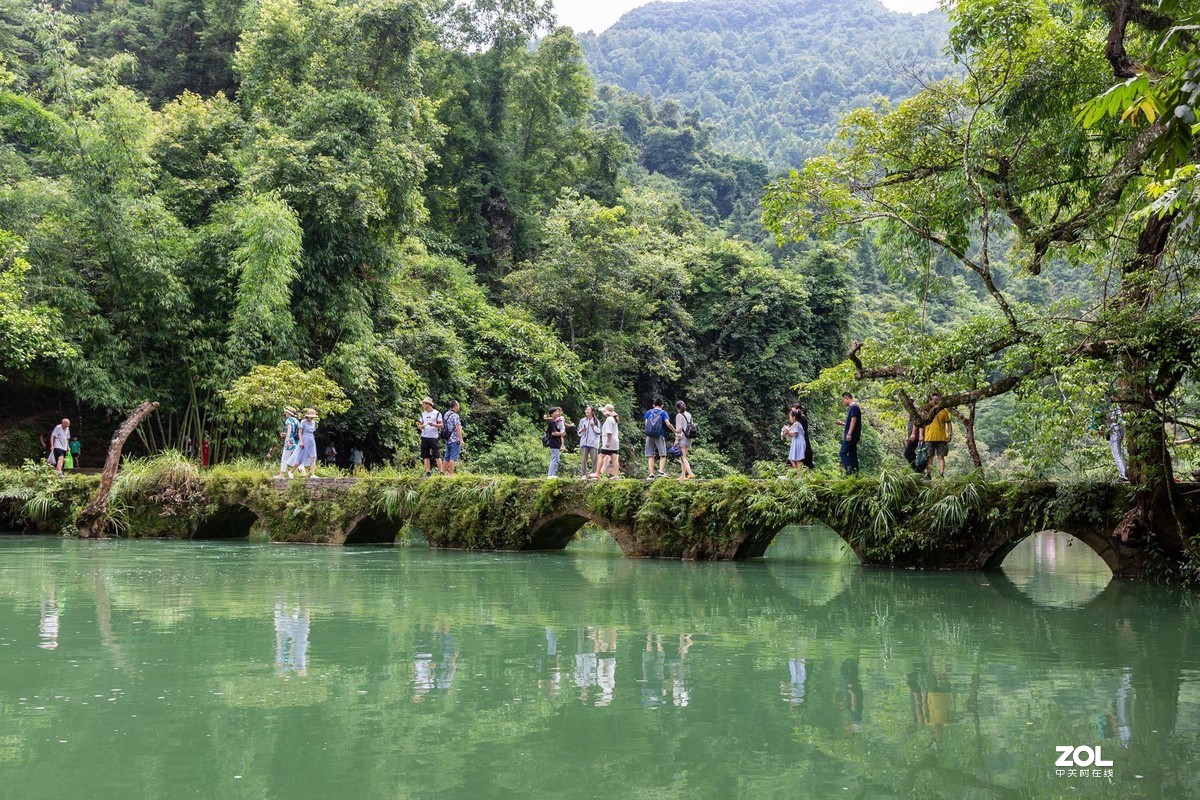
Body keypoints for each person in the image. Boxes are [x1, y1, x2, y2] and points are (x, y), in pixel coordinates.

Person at [643, 399, 676, 480]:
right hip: (659, 435)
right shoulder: (663, 413)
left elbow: (646, 424)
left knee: (650, 455)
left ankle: (651, 475)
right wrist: (675, 431)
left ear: (653, 405)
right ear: (662, 405)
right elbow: (668, 424)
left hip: (649, 435)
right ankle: (661, 472)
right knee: (663, 454)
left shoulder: (648, 412)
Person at [923, 393, 953, 478]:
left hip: (941, 438)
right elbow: (921, 423)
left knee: (941, 456)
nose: (936, 401)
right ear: (931, 400)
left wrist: (950, 434)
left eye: (938, 400)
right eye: (934, 399)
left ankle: (941, 474)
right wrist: (921, 435)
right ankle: (928, 474)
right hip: (929, 437)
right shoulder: (927, 410)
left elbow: (949, 422)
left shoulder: (944, 410)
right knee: (929, 457)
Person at [417, 397, 443, 477]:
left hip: (433, 437)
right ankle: (428, 472)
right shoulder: (423, 414)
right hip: (424, 436)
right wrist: (421, 426)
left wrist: (434, 424)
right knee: (425, 455)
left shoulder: (437, 413)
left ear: (428, 404)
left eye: (423, 404)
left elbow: (441, 425)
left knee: (437, 455)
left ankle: (441, 472)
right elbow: (419, 425)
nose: (422, 406)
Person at [594, 404, 621, 479]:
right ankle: (616, 475)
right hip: (615, 442)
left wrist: (608, 442)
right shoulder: (614, 419)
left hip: (609, 441)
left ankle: (597, 473)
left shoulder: (609, 419)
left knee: (601, 456)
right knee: (614, 458)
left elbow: (609, 432)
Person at [291, 409, 320, 478]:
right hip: (304, 439)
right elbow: (300, 432)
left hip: (311, 439)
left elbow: (312, 432)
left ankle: (312, 474)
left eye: (313, 417)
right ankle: (291, 471)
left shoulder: (313, 422)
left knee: (313, 456)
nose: (312, 418)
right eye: (311, 416)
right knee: (301, 457)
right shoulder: (303, 421)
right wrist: (301, 441)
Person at [674, 401, 697, 480]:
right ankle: (683, 475)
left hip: (682, 438)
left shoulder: (679, 415)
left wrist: (676, 439)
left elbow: (679, 429)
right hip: (689, 437)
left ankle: (690, 473)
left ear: (677, 408)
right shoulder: (689, 414)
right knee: (683, 457)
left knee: (682, 457)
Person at [577, 406, 602, 478]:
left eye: (588, 410)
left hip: (593, 443)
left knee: (594, 460)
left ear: (592, 412)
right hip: (584, 443)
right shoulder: (582, 421)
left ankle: (594, 474)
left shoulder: (596, 421)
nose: (586, 411)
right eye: (586, 410)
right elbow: (579, 433)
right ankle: (583, 474)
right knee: (583, 459)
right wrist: (582, 430)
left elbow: (599, 432)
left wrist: (594, 426)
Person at [840, 393, 861, 475]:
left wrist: (849, 434)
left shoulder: (854, 407)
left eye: (843, 400)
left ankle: (849, 469)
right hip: (854, 435)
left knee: (843, 452)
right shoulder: (854, 407)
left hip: (851, 436)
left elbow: (854, 420)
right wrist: (843, 424)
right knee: (852, 454)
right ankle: (855, 473)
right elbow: (852, 423)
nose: (843, 402)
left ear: (847, 398)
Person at [783, 408, 807, 477]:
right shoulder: (796, 424)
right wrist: (787, 433)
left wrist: (787, 432)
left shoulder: (797, 424)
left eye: (790, 417)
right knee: (793, 459)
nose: (789, 418)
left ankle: (800, 476)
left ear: (794, 417)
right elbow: (792, 434)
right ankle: (799, 474)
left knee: (797, 460)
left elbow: (794, 434)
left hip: (798, 443)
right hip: (796, 442)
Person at [1108, 401, 1128, 482]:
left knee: (1116, 453)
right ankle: (1124, 473)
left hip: (1116, 430)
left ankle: (1123, 475)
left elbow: (1118, 419)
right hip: (1118, 430)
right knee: (1120, 453)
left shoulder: (1114, 406)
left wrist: (1109, 418)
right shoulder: (1115, 406)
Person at [278, 407, 300, 479]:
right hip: (296, 441)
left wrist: (287, 440)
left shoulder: (288, 420)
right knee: (297, 457)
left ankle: (282, 474)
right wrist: (286, 434)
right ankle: (301, 472)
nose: (285, 413)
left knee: (284, 458)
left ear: (289, 413)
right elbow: (296, 431)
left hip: (290, 441)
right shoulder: (296, 420)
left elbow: (289, 431)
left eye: (287, 412)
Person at [443, 401, 464, 476]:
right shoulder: (455, 416)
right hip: (455, 439)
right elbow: (458, 428)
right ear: (455, 406)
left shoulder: (446, 414)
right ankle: (451, 474)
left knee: (446, 457)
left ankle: (442, 474)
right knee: (453, 458)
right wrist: (461, 440)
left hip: (447, 439)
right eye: (458, 405)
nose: (459, 407)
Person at [545, 407, 566, 478]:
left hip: (556, 442)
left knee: (556, 459)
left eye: (558, 412)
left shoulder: (554, 421)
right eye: (556, 412)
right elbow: (553, 433)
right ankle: (551, 475)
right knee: (554, 459)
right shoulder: (552, 422)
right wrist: (561, 433)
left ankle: (552, 474)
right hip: (554, 442)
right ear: (552, 414)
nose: (557, 413)